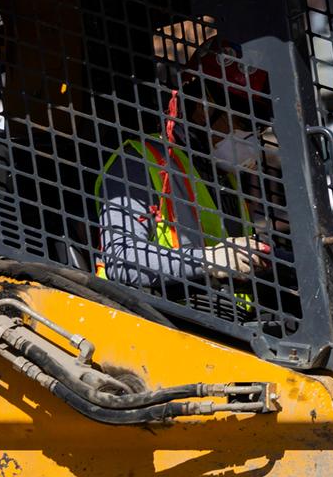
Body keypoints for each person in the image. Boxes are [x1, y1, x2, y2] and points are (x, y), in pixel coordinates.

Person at [93, 39, 274, 316]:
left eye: (259, 128)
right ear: (204, 106)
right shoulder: (139, 162)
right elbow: (121, 260)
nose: (252, 138)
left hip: (231, 325)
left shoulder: (221, 175)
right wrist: (209, 260)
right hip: (162, 328)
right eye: (245, 123)